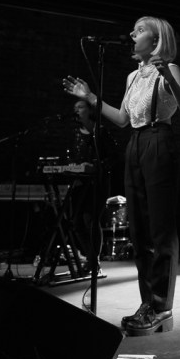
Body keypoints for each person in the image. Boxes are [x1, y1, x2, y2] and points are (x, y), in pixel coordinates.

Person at [63, 15, 180, 336]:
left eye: (139, 30)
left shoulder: (170, 69)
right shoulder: (132, 77)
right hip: (135, 143)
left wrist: (169, 77)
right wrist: (91, 97)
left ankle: (162, 306)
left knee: (161, 228)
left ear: (156, 40)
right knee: (139, 230)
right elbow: (123, 119)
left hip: (159, 139)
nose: (132, 34)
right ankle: (147, 302)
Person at [66, 99, 119, 268]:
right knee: (76, 222)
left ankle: (93, 260)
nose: (76, 110)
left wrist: (95, 167)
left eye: (80, 107)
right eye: (75, 107)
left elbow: (114, 156)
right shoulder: (75, 133)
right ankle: (91, 256)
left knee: (90, 220)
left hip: (97, 183)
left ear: (90, 110)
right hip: (79, 183)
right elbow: (71, 156)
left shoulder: (100, 132)